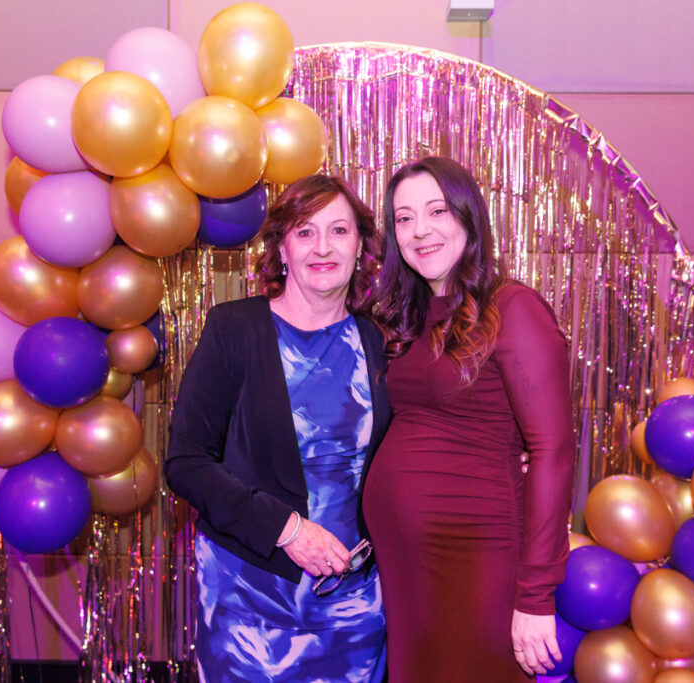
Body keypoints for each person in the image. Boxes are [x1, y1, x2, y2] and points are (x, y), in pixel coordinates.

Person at [164, 175, 389, 682]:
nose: (323, 247)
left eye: (339, 230)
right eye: (305, 232)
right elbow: (186, 463)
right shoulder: (234, 329)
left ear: (360, 246)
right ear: (282, 248)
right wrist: (288, 530)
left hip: (356, 609)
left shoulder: (380, 342)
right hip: (251, 604)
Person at [363, 156, 576, 681]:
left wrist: (536, 595)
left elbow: (552, 450)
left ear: (468, 215)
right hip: (405, 563)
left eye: (437, 211)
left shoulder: (513, 307)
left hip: (479, 552)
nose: (420, 230)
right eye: (404, 218)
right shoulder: (410, 319)